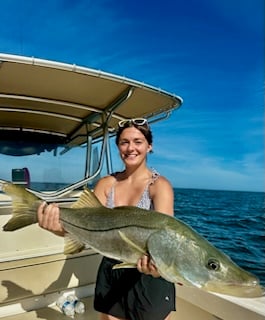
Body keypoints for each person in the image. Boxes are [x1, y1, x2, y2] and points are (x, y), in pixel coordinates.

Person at [37, 118, 176, 320]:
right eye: (124, 142)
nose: (131, 148)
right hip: (111, 270)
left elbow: (166, 242)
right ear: (118, 146)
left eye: (138, 141)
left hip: (149, 274)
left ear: (149, 146)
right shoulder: (105, 184)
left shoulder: (159, 186)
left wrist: (158, 270)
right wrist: (54, 226)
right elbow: (83, 229)